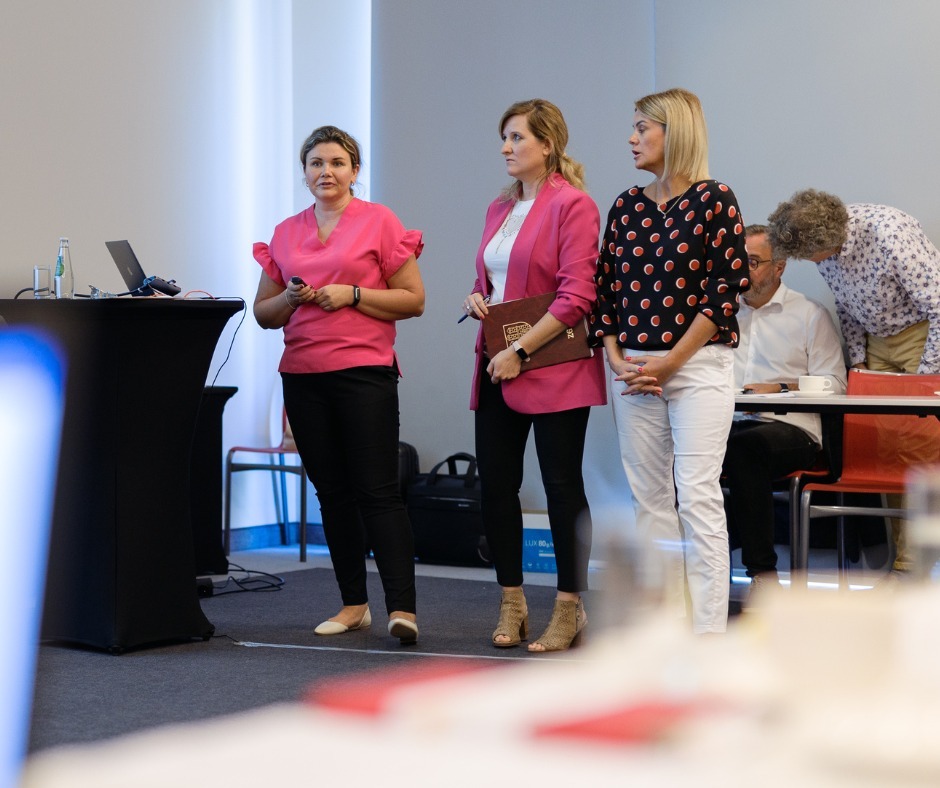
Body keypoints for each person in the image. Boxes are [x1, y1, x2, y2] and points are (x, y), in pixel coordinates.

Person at [252, 125, 425, 644]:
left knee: (378, 491)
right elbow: (263, 313)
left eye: (336, 163)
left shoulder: (380, 222)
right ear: (304, 172)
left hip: (365, 373)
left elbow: (413, 299)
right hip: (303, 376)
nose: (325, 172)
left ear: (354, 171)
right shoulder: (285, 232)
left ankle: (402, 609)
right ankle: (354, 605)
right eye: (315, 163)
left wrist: (353, 294)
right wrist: (290, 299)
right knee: (331, 494)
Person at [591, 88, 748, 634]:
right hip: (634, 369)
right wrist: (616, 359)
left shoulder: (714, 199)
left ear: (673, 131)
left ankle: (707, 634)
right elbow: (605, 292)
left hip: (698, 365)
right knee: (650, 502)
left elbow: (724, 293)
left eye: (642, 128)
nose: (631, 139)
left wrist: (671, 363)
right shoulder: (626, 205)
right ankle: (663, 629)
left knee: (698, 496)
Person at [463, 99, 606, 652]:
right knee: (495, 486)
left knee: (561, 487)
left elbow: (578, 295)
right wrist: (478, 297)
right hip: (495, 359)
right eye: (504, 137)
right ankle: (512, 601)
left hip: (550, 363)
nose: (506, 147)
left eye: (517, 137)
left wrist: (520, 350)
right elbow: (498, 280)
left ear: (548, 145)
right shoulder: (499, 208)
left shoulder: (574, 205)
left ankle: (570, 607)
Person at [767, 189, 940, 574]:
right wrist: (858, 363)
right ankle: (902, 563)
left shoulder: (891, 234)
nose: (807, 262)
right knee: (885, 452)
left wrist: (925, 376)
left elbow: (939, 304)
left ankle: (914, 566)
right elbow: (846, 306)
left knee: (917, 451)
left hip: (920, 333)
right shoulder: (822, 245)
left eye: (808, 255)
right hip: (876, 339)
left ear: (826, 241)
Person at [724, 224, 846, 592]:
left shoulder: (809, 314)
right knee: (684, 447)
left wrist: (781, 386)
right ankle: (692, 569)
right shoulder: (721, 316)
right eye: (736, 262)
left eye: (752, 262)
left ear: (779, 267)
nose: (741, 271)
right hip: (729, 422)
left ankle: (763, 576)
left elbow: (834, 384)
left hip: (794, 430)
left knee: (745, 450)